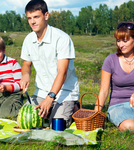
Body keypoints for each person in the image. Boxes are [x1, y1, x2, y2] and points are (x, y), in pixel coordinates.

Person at [20, 0, 80, 128]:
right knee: (26, 122)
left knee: (56, 126)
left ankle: (73, 106)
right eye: (29, 18)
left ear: (46, 16)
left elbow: (62, 73)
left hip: (64, 92)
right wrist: (25, 75)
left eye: (36, 17)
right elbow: (26, 64)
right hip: (41, 92)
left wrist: (50, 98)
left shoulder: (62, 38)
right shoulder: (28, 39)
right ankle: (53, 110)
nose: (32, 22)